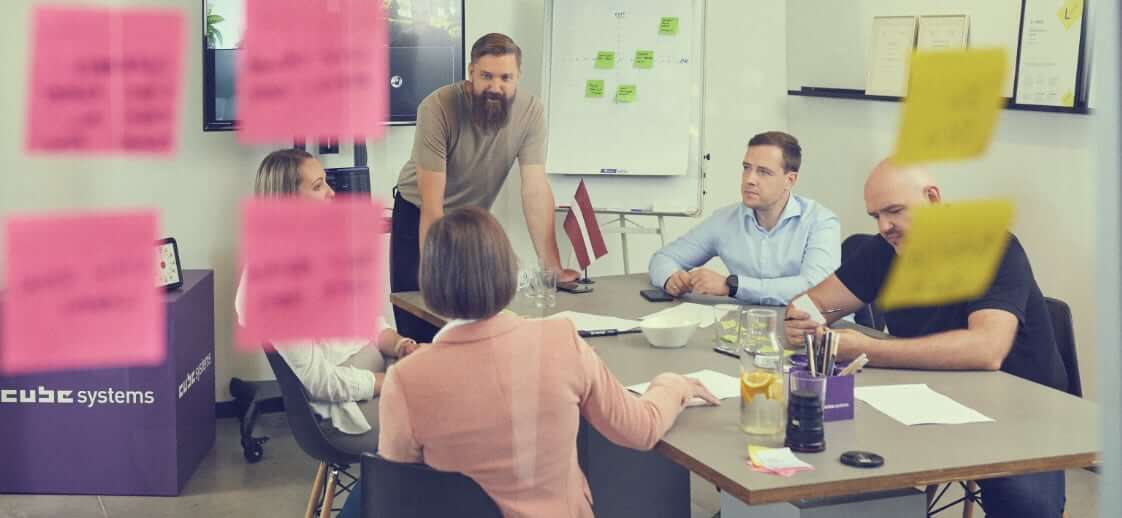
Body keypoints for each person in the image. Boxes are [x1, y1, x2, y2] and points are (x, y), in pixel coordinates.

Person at [378, 208, 717, 518]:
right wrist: (675, 385)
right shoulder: (561, 340)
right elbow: (639, 429)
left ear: (430, 279)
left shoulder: (406, 381)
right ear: (507, 269)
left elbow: (398, 495)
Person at [784, 159, 1068, 518]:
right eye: (876, 216)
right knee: (842, 463)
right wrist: (801, 319)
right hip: (926, 402)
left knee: (1027, 509)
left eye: (895, 211)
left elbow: (987, 349)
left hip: (1019, 415)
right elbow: (813, 304)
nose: (885, 226)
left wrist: (868, 349)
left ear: (932, 198)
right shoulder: (885, 249)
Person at [391, 32, 577, 341]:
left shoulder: (531, 112)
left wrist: (552, 266)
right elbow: (433, 205)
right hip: (419, 215)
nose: (495, 87)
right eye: (486, 76)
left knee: (474, 321)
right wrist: (435, 277)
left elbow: (534, 189)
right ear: (470, 73)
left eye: (506, 77)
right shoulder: (437, 108)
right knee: (421, 318)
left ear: (518, 77)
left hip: (472, 222)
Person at [235, 148, 419, 457]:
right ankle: (388, 503)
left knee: (452, 390)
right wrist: (388, 383)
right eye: (318, 186)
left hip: (375, 380)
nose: (332, 193)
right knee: (446, 419)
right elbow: (319, 382)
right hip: (347, 412)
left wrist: (400, 345)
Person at [648, 131, 840, 305]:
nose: (749, 179)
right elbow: (663, 258)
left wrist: (733, 286)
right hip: (754, 329)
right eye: (747, 168)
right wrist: (671, 279)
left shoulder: (821, 222)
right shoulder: (725, 220)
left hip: (817, 330)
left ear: (789, 180)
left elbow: (815, 288)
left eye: (763, 172)